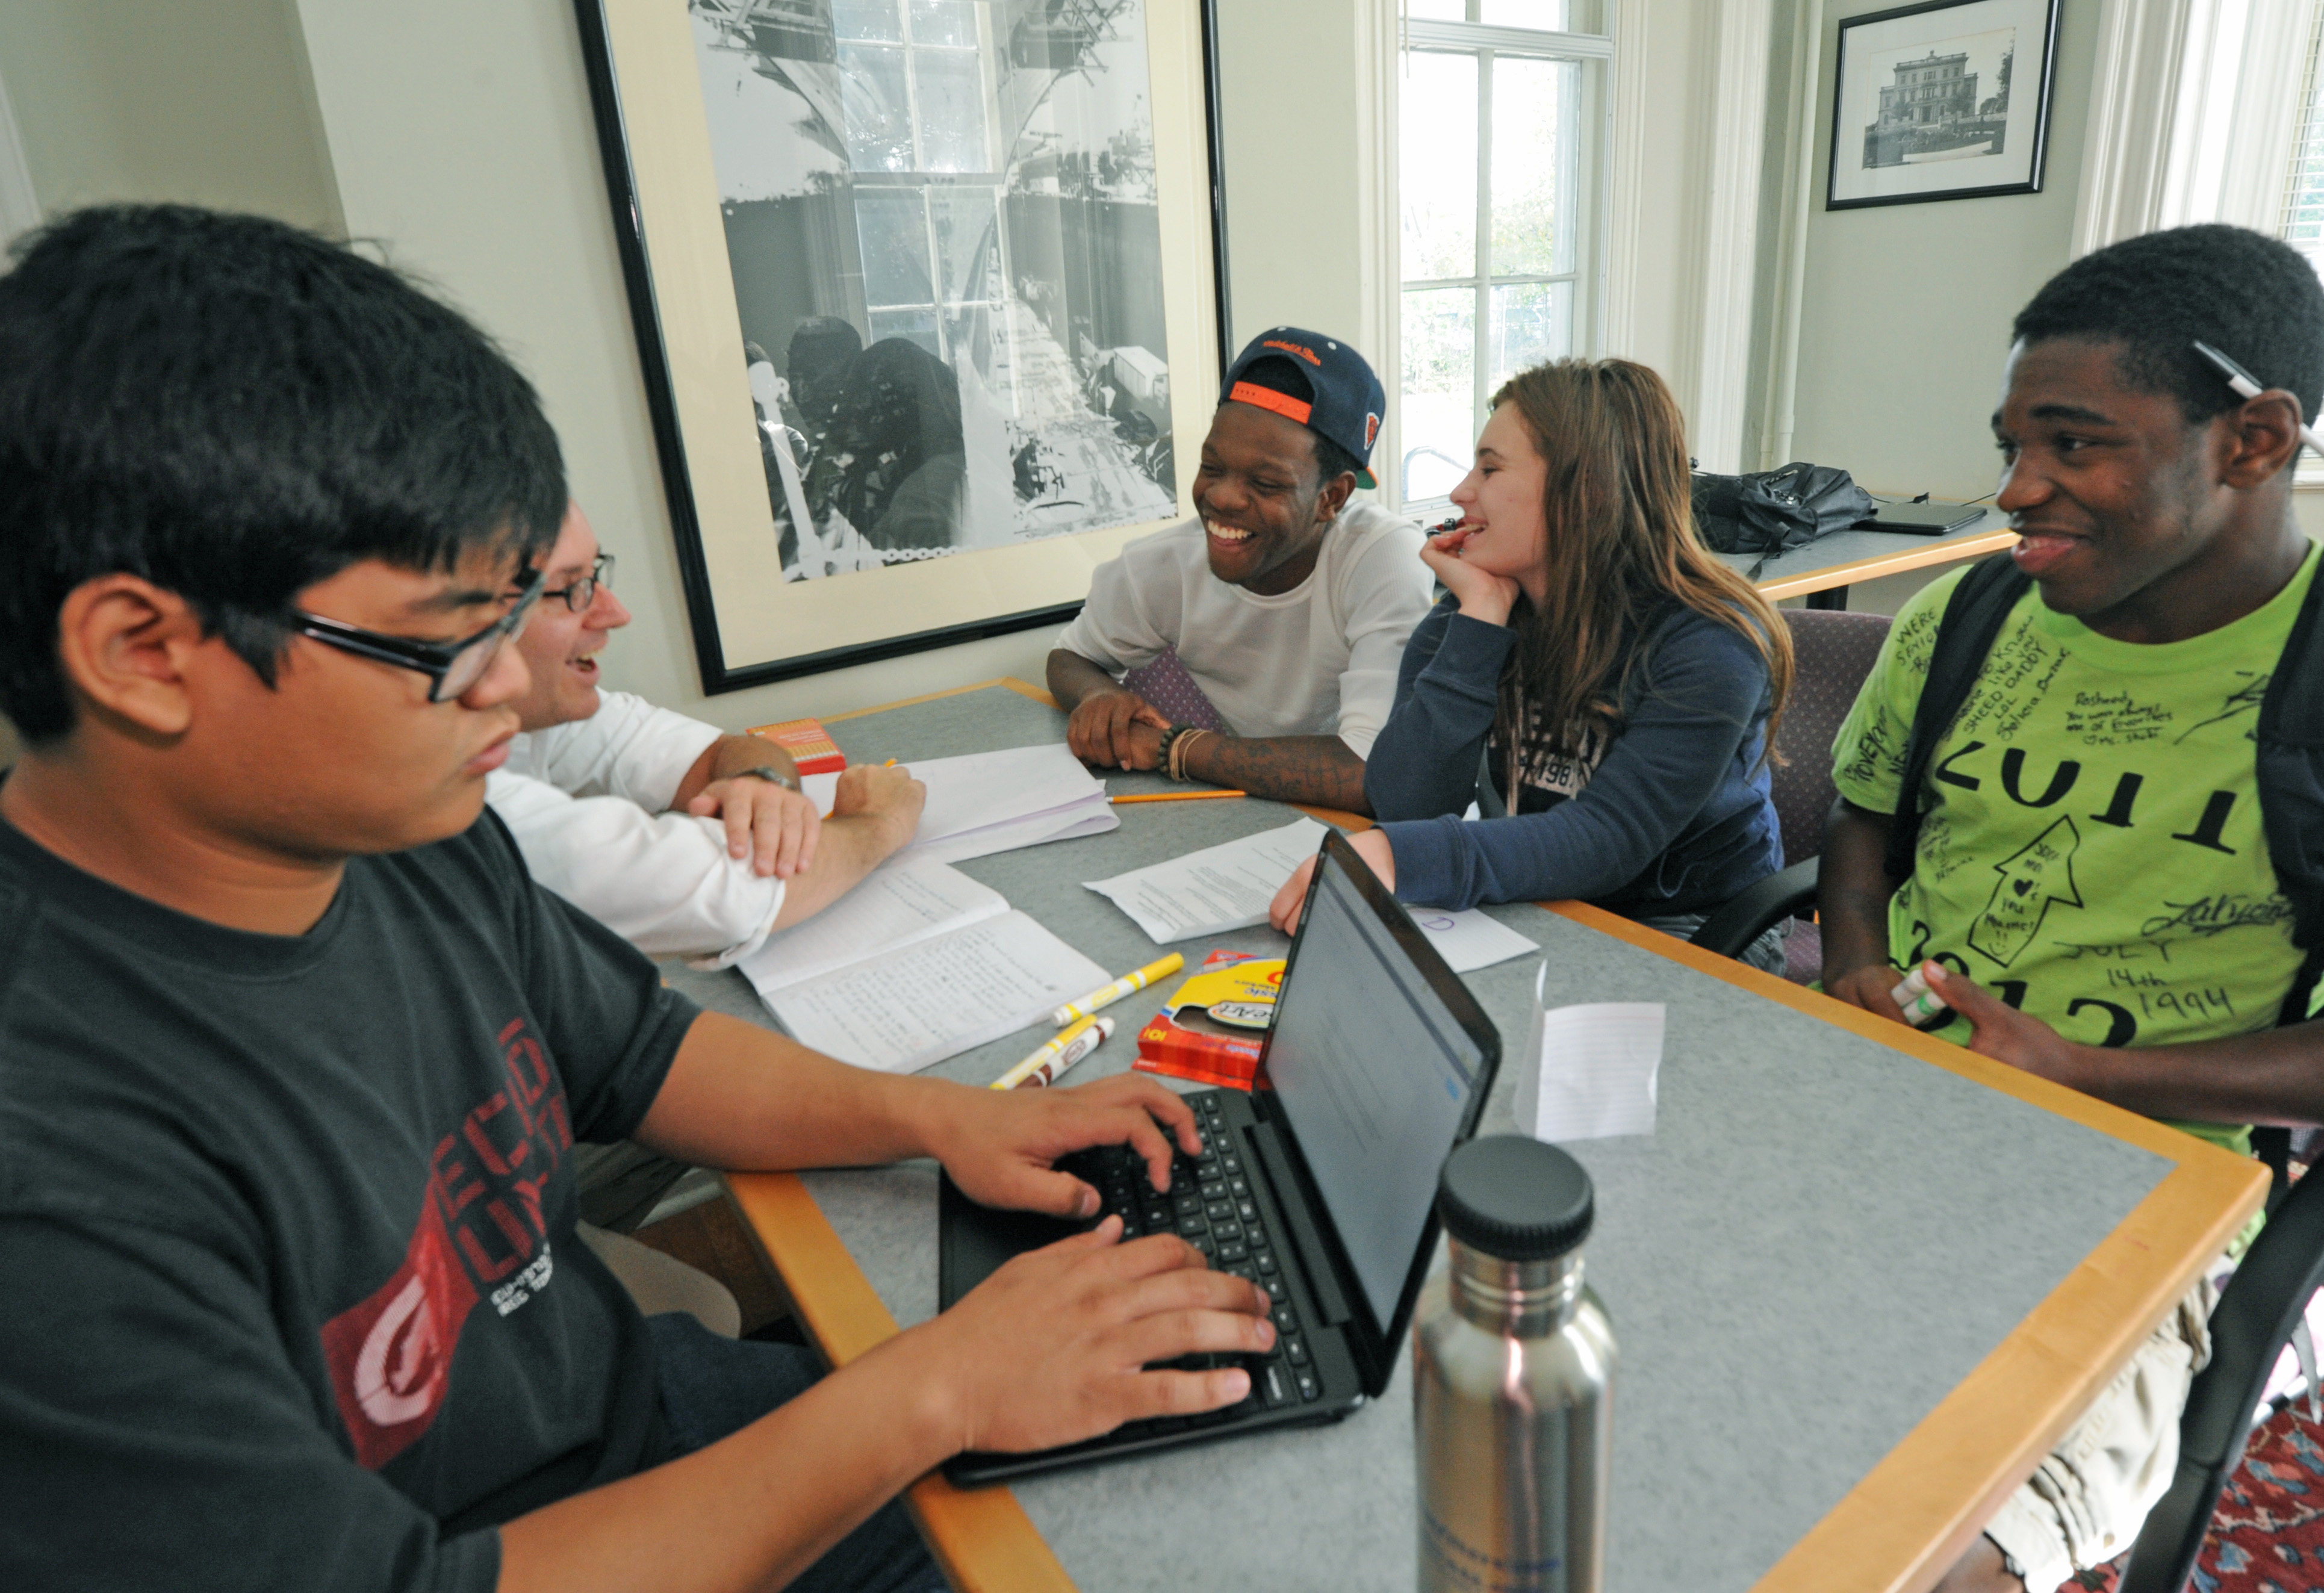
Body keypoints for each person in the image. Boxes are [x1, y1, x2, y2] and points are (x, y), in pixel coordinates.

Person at [0, 204, 1273, 1593]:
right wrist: (937, 1390)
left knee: (1200, 1453)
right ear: (140, 651)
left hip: (647, 1433)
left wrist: (951, 1118)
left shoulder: (403, 828)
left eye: (511, 615)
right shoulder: (55, 1168)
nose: (509, 688)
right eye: (444, 643)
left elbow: (641, 1054)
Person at [1818, 225, 2324, 1593]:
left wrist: (2084, 1070)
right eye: (2011, 444)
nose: (2016, 491)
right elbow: (1861, 818)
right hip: (1886, 1104)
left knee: (1929, 1556)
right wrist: (1854, 967)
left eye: (2074, 444)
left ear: (2253, 441)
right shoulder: (1970, 616)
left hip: (2144, 1186)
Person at [1270, 358, 1792, 967]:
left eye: (1490, 469)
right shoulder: (1473, 612)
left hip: (1690, 923)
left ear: (1589, 489)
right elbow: (1405, 803)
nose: (1462, 492)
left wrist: (1398, 856)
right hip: (1544, 899)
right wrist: (1477, 624)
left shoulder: (1708, 641)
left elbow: (1609, 839)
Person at [488, 500, 925, 967]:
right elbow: (737, 894)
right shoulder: (475, 806)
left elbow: (727, 751)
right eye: (570, 589)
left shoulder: (538, 716)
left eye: (594, 576)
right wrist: (881, 824)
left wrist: (760, 789)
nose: (615, 613)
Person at [1048, 327, 1433, 813]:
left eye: (1266, 483)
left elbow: (1368, 771)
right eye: (1212, 467)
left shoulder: (1383, 557)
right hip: (1242, 815)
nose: (1223, 498)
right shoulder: (1163, 563)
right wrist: (1098, 697)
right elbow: (1070, 657)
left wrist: (1177, 750)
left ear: (1331, 497)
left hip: (1351, 836)